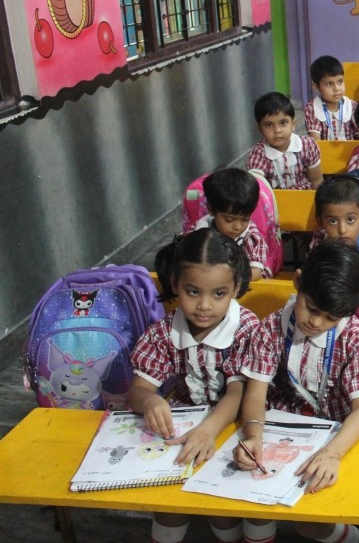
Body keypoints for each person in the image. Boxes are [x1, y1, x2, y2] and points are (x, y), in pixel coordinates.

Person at [130, 229, 275, 543]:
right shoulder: (163, 331)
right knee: (168, 507)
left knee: (239, 504)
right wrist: (150, 401)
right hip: (188, 426)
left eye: (218, 294)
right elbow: (139, 388)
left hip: (241, 423)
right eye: (193, 292)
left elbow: (238, 392)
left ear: (235, 288)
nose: (204, 305)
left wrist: (208, 431)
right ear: (175, 285)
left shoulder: (246, 328)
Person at [234, 241, 359, 543]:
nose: (316, 322)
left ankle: (354, 537)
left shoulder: (358, 339)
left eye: (331, 318)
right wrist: (253, 435)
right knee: (254, 507)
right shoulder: (271, 327)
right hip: (285, 430)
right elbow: (255, 394)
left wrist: (332, 454)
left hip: (343, 435)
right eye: (312, 309)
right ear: (298, 281)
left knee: (313, 521)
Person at [187, 168, 271, 281]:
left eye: (245, 219)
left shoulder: (250, 237)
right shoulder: (199, 230)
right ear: (211, 210)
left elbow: (255, 272)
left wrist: (222, 280)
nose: (238, 227)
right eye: (229, 220)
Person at [247, 92, 323, 191]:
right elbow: (258, 192)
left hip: (306, 198)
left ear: (293, 124)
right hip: (274, 200)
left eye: (283, 123)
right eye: (269, 125)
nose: (277, 130)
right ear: (260, 129)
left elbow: (316, 180)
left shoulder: (308, 146)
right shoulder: (257, 156)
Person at [303, 55, 359, 141]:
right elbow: (315, 142)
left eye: (340, 82)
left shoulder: (353, 106)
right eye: (329, 84)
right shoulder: (312, 108)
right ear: (316, 87)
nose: (336, 88)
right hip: (323, 149)